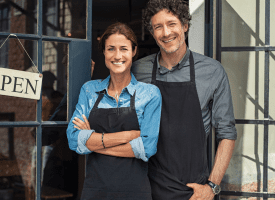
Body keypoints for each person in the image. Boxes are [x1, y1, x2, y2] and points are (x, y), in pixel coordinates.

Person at [131, 0, 237, 199]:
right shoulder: (137, 71)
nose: (166, 33)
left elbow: (227, 133)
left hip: (193, 191)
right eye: (158, 27)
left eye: (171, 24)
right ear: (152, 33)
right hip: (146, 188)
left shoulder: (212, 71)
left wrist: (211, 187)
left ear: (185, 26)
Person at [66, 22, 162, 200]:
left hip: (135, 192)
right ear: (103, 52)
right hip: (95, 190)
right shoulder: (89, 90)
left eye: (124, 49)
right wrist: (129, 136)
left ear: (133, 51)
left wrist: (93, 141)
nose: (118, 55)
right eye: (111, 49)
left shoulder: (149, 94)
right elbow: (73, 139)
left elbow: (146, 148)